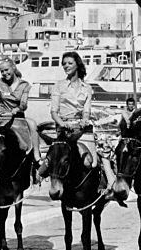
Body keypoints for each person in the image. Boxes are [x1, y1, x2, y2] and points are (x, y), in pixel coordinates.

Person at [40, 51, 118, 196]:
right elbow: (54, 112)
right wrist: (62, 124)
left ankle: (107, 184)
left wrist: (83, 122)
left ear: (77, 65)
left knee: (91, 162)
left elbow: (86, 111)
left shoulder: (87, 88)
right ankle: (44, 179)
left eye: (69, 63)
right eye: (64, 64)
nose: (66, 66)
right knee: (51, 161)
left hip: (82, 129)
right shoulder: (59, 86)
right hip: (64, 129)